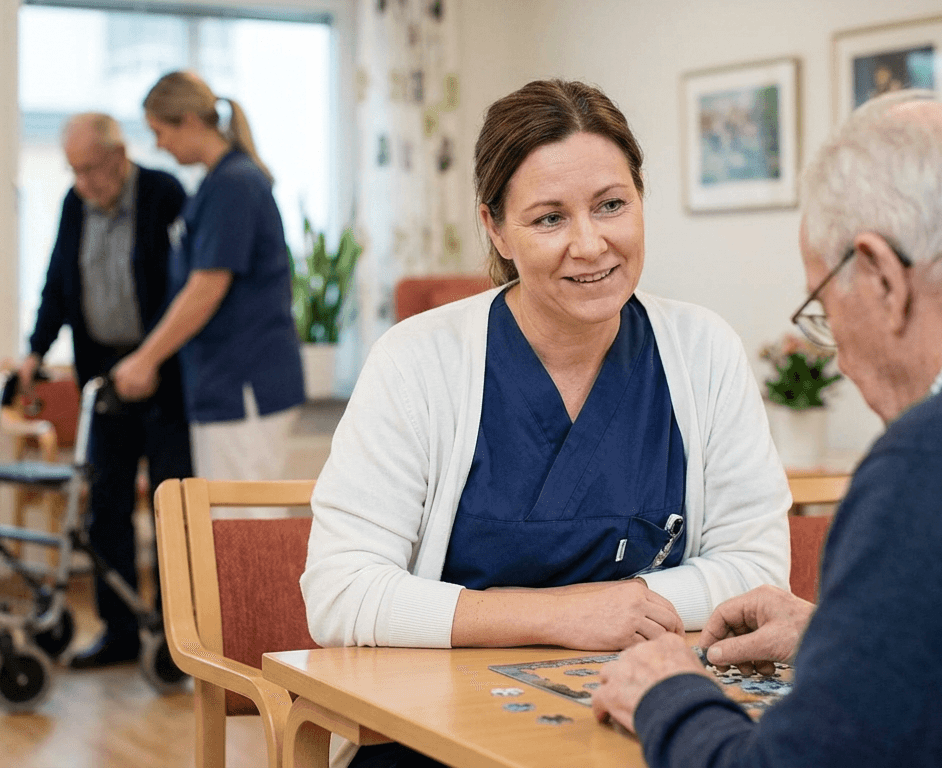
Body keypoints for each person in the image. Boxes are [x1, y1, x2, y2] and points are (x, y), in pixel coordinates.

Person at [592, 91, 942, 767]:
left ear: (881, 277)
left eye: (825, 312)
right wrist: (854, 640)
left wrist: (667, 695)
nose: (838, 356)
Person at [302, 79, 792, 768]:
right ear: (495, 228)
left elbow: (756, 571)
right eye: (549, 218)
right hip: (433, 732)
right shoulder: (416, 361)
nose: (590, 244)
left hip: (639, 720)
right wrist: (566, 614)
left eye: (612, 205)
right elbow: (341, 592)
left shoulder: (703, 350)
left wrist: (622, 605)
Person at [20, 112, 194, 668]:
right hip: (103, 379)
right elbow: (58, 281)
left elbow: (187, 289)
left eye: (90, 169)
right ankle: (119, 633)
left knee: (172, 510)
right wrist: (35, 350)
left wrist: (153, 358)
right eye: (73, 171)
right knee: (107, 509)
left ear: (119, 156)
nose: (83, 182)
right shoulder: (75, 205)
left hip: (164, 374)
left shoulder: (164, 194)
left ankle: (177, 640)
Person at [113, 71, 305, 490]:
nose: (159, 145)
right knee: (224, 517)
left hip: (244, 383)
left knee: (247, 519)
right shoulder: (216, 184)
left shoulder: (233, 186)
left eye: (160, 132)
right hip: (222, 382)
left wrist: (146, 358)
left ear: (189, 121)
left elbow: (206, 289)